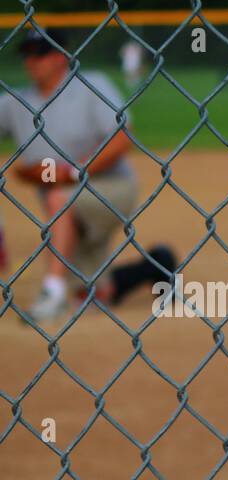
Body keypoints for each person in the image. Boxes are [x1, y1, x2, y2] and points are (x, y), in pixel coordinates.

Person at [0, 29, 175, 325]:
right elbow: (36, 171)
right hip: (63, 206)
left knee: (59, 197)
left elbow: (121, 136)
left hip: (112, 187)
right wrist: (37, 173)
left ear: (61, 56)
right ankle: (157, 264)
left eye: (40, 53)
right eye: (28, 54)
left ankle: (51, 293)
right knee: (93, 291)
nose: (32, 61)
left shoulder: (89, 85)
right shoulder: (16, 102)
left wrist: (72, 171)